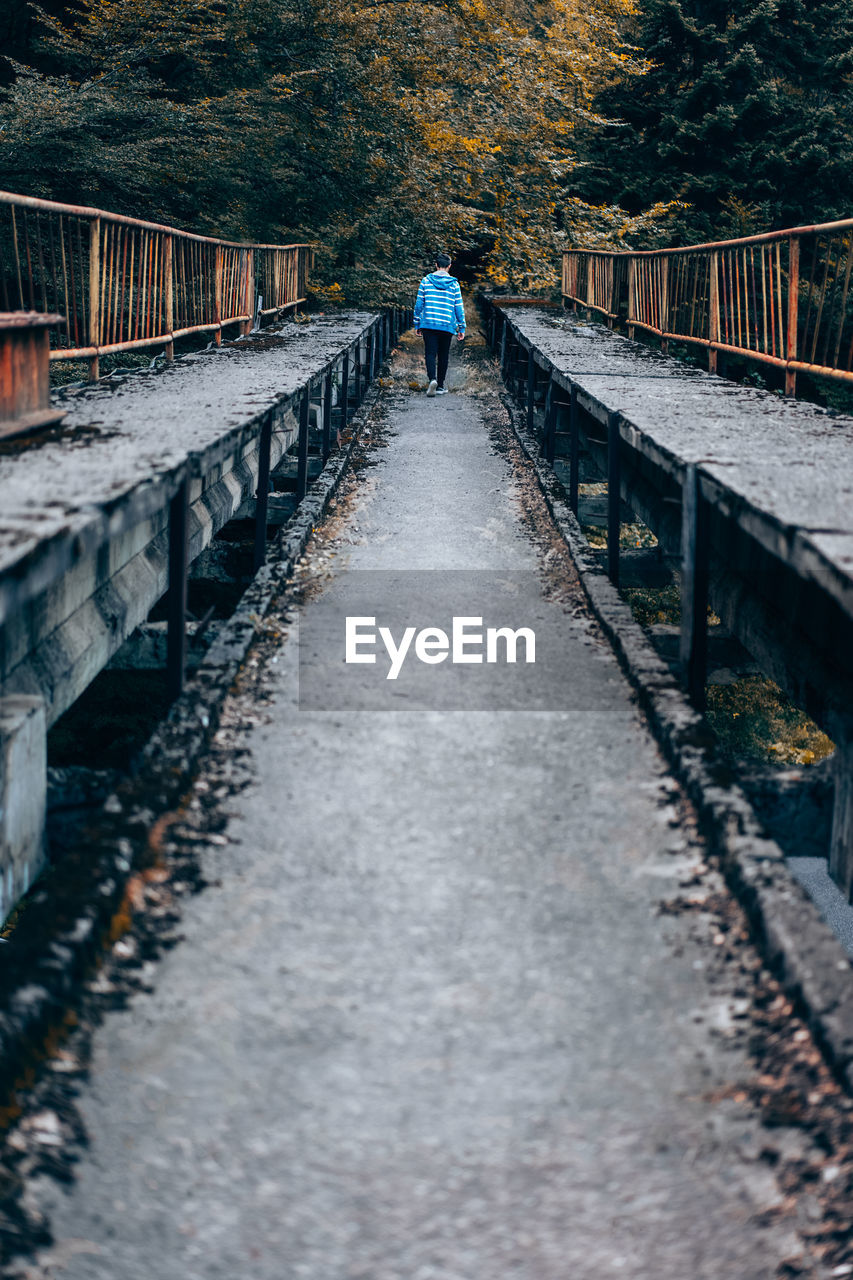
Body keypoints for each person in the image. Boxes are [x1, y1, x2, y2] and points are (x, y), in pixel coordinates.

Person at [414, 253, 466, 396]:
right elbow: (458, 307)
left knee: (430, 353)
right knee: (443, 354)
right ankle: (441, 386)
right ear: (449, 266)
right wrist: (462, 327)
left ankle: (432, 380)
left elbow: (419, 304)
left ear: (436, 265)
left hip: (429, 323)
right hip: (446, 324)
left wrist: (417, 323)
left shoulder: (425, 281)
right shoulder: (454, 284)